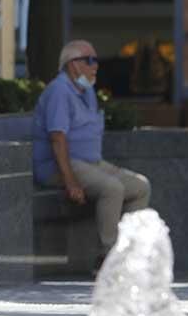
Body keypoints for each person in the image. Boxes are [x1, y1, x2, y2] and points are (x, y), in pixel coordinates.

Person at [33, 40, 151, 267]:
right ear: (72, 64)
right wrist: (70, 182)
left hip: (92, 163)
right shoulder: (59, 90)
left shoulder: (86, 91)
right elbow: (57, 139)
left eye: (96, 60)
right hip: (61, 164)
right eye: (89, 60)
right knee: (112, 188)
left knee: (140, 186)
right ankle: (109, 259)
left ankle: (129, 255)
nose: (95, 65)